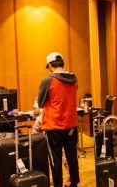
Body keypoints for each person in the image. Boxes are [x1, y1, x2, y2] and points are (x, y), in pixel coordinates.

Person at [37, 52, 79, 187]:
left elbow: (40, 103)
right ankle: (74, 183)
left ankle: (58, 185)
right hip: (71, 124)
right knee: (72, 156)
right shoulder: (74, 78)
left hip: (54, 126)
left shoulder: (47, 80)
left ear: (50, 65)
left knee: (55, 159)